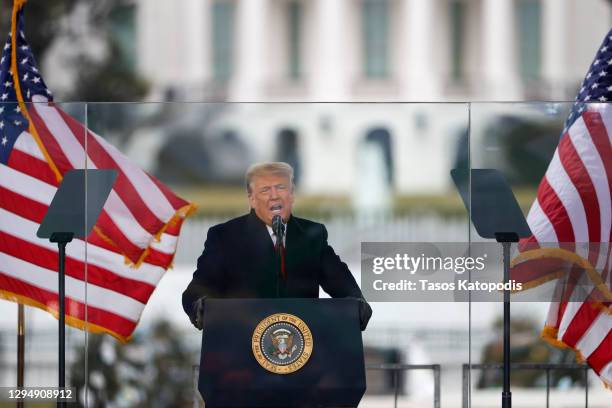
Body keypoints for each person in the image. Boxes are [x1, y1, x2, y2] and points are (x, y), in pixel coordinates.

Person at [182, 162, 372, 330]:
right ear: (252, 199)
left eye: (281, 187)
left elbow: (341, 282)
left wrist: (357, 303)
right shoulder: (225, 236)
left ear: (292, 194)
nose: (274, 196)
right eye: (265, 190)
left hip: (303, 349)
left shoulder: (312, 236)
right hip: (241, 348)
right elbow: (197, 290)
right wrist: (200, 306)